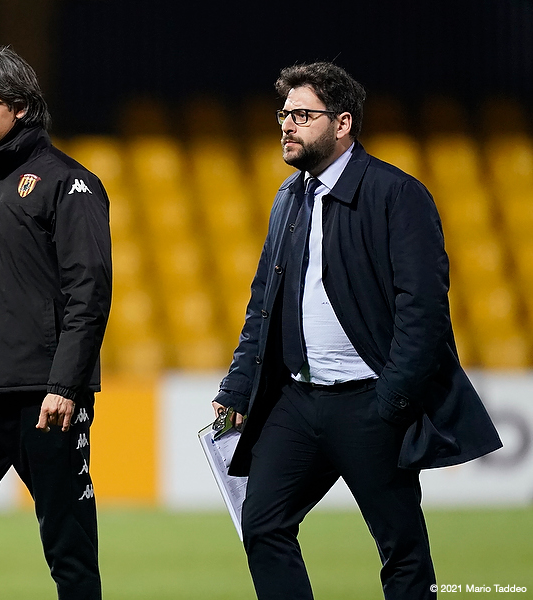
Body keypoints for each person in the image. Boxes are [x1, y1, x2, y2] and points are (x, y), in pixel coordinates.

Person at [211, 62, 502, 600]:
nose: (287, 125)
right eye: (284, 115)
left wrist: (392, 399)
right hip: (298, 401)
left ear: (342, 123)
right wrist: (237, 386)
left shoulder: (398, 194)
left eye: (302, 115)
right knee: (262, 524)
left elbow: (423, 310)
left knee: (402, 550)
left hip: (371, 402)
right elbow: (264, 303)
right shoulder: (288, 197)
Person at [0, 47, 112, 600]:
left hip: (46, 399)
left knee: (68, 547)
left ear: (21, 107)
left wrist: (66, 385)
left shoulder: (70, 183)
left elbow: (89, 293)